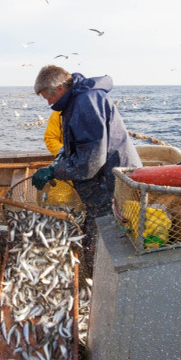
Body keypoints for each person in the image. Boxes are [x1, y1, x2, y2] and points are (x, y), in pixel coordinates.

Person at [31, 65, 141, 273]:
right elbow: (82, 144)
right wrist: (62, 157)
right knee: (97, 235)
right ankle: (96, 279)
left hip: (111, 184)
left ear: (61, 88)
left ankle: (101, 283)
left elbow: (90, 162)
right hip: (104, 182)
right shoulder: (77, 101)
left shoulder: (86, 102)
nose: (49, 103)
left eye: (48, 97)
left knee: (105, 240)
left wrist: (55, 171)